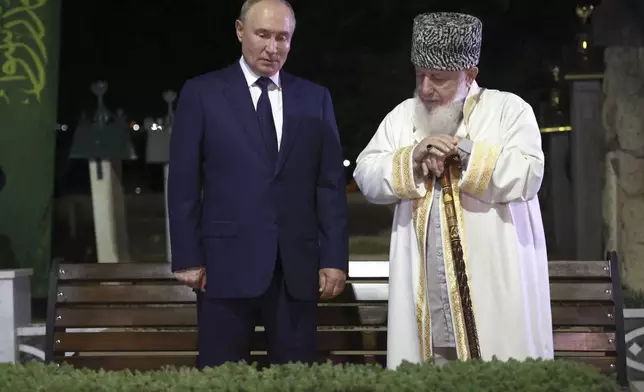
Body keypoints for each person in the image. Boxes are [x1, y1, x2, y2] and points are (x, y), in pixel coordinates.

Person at [353, 12, 553, 369]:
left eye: (440, 79)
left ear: (470, 74)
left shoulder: (508, 111)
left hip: (492, 294)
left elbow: (529, 173)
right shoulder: (404, 117)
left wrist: (464, 151)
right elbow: (366, 172)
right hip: (426, 297)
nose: (426, 88)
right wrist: (413, 157)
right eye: (420, 75)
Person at [167, 0, 348, 368]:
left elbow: (329, 186)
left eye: (283, 37)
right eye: (262, 34)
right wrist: (188, 257)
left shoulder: (315, 99)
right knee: (222, 377)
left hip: (296, 271)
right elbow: (184, 181)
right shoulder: (202, 93)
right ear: (239, 31)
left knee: (296, 377)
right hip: (222, 268)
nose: (273, 47)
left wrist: (333, 259)